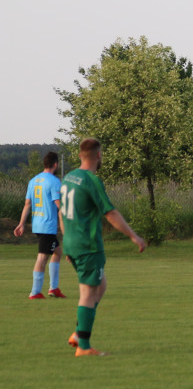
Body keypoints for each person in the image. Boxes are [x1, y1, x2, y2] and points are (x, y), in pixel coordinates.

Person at [62, 138, 147, 357]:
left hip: (72, 242)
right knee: (88, 293)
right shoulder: (91, 180)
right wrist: (134, 236)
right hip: (88, 246)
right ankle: (84, 346)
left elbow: (62, 214)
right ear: (98, 155)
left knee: (101, 285)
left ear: (80, 154)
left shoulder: (69, 178)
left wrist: (67, 241)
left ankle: (78, 334)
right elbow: (110, 213)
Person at [13, 151, 65, 299]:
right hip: (47, 226)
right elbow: (58, 202)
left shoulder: (33, 181)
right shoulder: (54, 181)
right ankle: (35, 292)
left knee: (57, 252)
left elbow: (27, 204)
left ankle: (53, 289)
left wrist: (21, 224)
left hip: (37, 224)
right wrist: (69, 214)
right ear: (55, 164)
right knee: (42, 258)